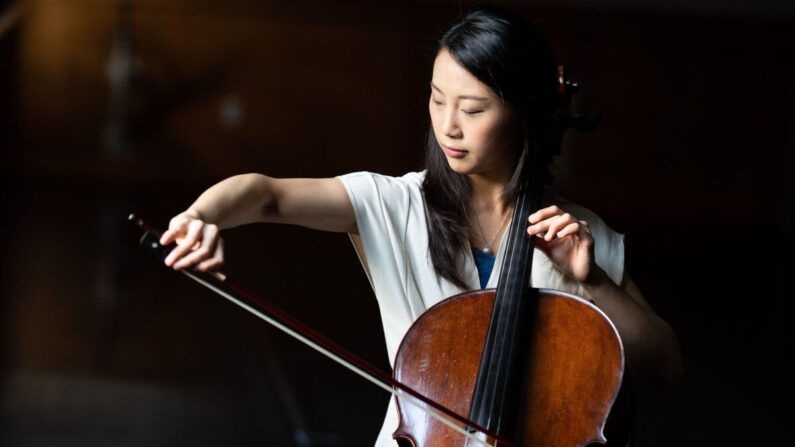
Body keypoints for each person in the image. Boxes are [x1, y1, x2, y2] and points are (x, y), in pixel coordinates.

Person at [159, 6, 683, 446]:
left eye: (473, 108)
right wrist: (200, 217)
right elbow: (265, 193)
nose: (448, 125)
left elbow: (666, 364)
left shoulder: (575, 234)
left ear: (525, 114)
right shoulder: (396, 204)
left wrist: (589, 282)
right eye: (437, 99)